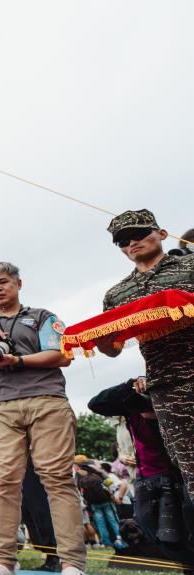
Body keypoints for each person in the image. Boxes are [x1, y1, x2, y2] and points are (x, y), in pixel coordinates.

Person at [0, 261, 92, 575]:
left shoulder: (43, 316)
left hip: (47, 400)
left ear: (18, 283)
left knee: (57, 478)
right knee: (3, 480)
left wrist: (17, 360)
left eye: (3, 282)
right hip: (2, 407)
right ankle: (4, 562)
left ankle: (73, 566)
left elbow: (62, 354)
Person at [97, 210, 194, 505]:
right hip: (167, 387)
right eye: (123, 241)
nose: (132, 243)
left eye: (139, 234)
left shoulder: (190, 265)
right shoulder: (118, 294)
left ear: (162, 234)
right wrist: (101, 341)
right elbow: (112, 349)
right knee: (189, 466)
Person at [88, 378, 194, 575]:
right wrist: (131, 385)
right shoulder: (131, 405)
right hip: (149, 479)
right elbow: (96, 403)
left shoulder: (176, 402)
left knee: (184, 524)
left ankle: (190, 569)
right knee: (152, 524)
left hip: (180, 474)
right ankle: (187, 564)